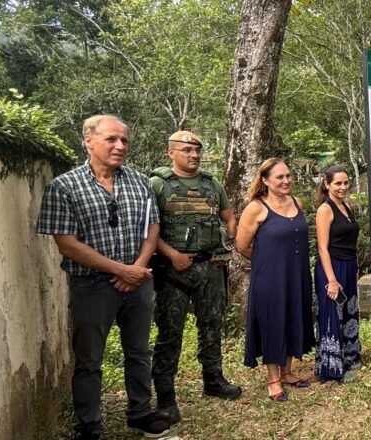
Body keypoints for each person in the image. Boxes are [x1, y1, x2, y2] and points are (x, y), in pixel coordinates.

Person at [36, 115, 170, 439]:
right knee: (89, 359)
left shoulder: (140, 181)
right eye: (111, 139)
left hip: (138, 282)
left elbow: (151, 229)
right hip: (92, 286)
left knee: (138, 352)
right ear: (88, 141)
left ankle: (139, 412)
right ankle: (89, 424)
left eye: (124, 140)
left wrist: (136, 269)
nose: (120, 146)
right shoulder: (64, 186)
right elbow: (66, 244)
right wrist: (119, 270)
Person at [149, 130, 241, 425]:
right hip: (172, 271)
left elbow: (228, 215)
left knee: (212, 325)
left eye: (197, 150)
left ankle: (213, 380)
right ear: (171, 153)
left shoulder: (211, 183)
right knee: (170, 333)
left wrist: (227, 237)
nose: (194, 155)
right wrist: (172, 255)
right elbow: (148, 230)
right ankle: (165, 397)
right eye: (187, 150)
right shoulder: (157, 185)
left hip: (209, 267)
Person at [236, 158, 314, 400]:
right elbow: (242, 246)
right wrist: (267, 261)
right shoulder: (256, 208)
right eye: (279, 177)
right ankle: (273, 379)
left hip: (297, 273)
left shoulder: (298, 203)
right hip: (270, 277)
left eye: (288, 176)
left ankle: (288, 372)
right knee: (273, 322)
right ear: (265, 180)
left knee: (293, 317)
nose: (286, 181)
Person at [314, 165, 362, 381]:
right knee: (332, 314)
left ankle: (349, 357)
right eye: (338, 183)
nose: (343, 187)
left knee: (349, 312)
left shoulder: (345, 206)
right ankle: (332, 368)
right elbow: (322, 247)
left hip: (348, 265)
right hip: (331, 267)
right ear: (327, 184)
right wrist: (331, 279)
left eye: (345, 182)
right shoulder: (326, 209)